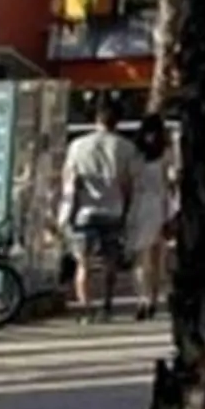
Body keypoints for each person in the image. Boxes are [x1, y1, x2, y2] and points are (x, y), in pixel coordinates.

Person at [63, 106, 140, 317]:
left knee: (83, 261)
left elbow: (69, 178)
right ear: (117, 123)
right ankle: (107, 302)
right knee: (110, 260)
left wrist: (67, 209)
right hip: (113, 209)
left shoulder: (77, 146)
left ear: (96, 121)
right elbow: (128, 183)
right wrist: (128, 207)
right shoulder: (125, 147)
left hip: (84, 211)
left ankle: (86, 307)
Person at [126, 111, 173, 318]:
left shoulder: (140, 156)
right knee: (147, 257)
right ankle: (146, 297)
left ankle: (148, 297)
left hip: (150, 205)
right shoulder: (155, 155)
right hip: (151, 205)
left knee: (150, 257)